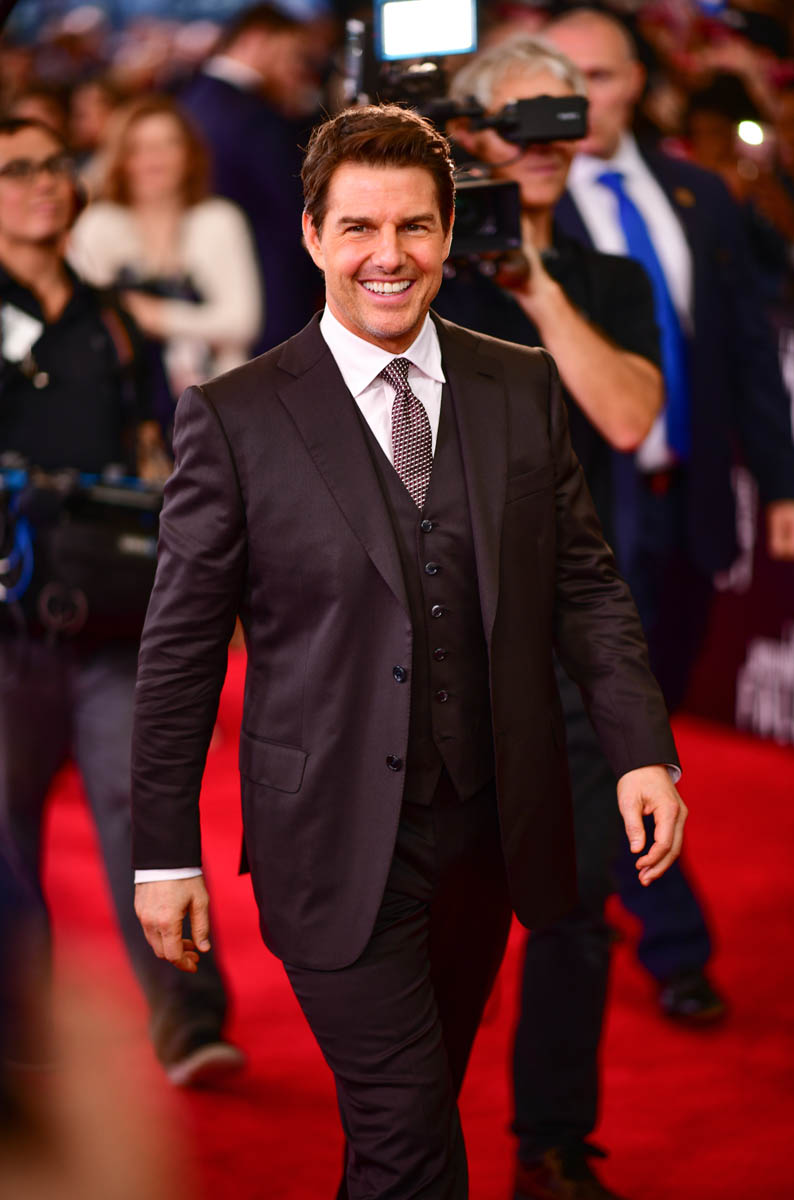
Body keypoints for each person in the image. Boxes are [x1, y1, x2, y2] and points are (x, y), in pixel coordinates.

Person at [131, 102, 687, 1200]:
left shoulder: (518, 383)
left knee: (406, 1123)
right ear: (311, 235)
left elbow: (584, 586)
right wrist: (164, 855)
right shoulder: (235, 417)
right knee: (412, 1145)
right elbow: (179, 653)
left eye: (414, 227)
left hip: (487, 833)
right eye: (358, 228)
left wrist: (639, 749)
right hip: (327, 842)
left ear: (448, 232)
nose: (387, 256)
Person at [432, 34, 664, 1200]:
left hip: (568, 639)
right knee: (431, 914)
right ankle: (410, 1152)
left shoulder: (606, 279)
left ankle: (553, 1145)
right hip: (429, 638)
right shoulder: (413, 271)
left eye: (556, 121)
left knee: (573, 912)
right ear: (466, 132)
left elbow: (625, 419)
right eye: (512, 120)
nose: (538, 145)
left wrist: (535, 285)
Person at [546, 4, 794, 1025]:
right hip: (580, 513)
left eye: (598, 77)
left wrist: (779, 483)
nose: (577, 99)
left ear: (638, 83)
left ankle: (593, 873)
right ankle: (672, 940)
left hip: (687, 502)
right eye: (557, 79)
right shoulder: (516, 211)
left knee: (653, 716)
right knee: (619, 727)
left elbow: (745, 352)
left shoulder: (697, 193)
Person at [0, 117, 242, 1089]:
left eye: (56, 166)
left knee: (145, 808)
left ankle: (188, 1017)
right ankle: (21, 1044)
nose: (44, 183)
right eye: (18, 169)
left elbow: (156, 451)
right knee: (6, 833)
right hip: (8, 625)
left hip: (113, 614)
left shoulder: (112, 317)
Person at [68, 94, 262, 402]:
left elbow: (242, 323)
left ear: (190, 154)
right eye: (140, 148)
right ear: (120, 159)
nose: (154, 159)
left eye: (168, 144)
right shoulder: (98, 226)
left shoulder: (219, 219)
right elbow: (86, 323)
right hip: (124, 399)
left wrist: (151, 315)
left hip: (216, 400)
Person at [179, 3, 326, 353]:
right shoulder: (255, 116)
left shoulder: (189, 100)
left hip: (207, 290)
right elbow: (292, 212)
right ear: (257, 39)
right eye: (292, 55)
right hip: (272, 301)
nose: (296, 69)